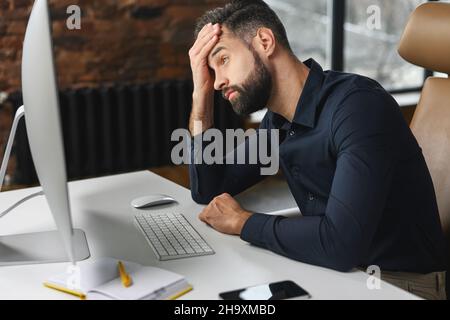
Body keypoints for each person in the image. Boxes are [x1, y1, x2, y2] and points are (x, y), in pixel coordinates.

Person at [187, 0, 447, 299]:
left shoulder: (358, 107)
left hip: (399, 285)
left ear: (265, 41)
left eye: (222, 60)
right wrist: (200, 96)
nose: (218, 81)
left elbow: (340, 245)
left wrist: (243, 222)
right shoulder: (280, 119)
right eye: (210, 72)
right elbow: (208, 188)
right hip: (333, 270)